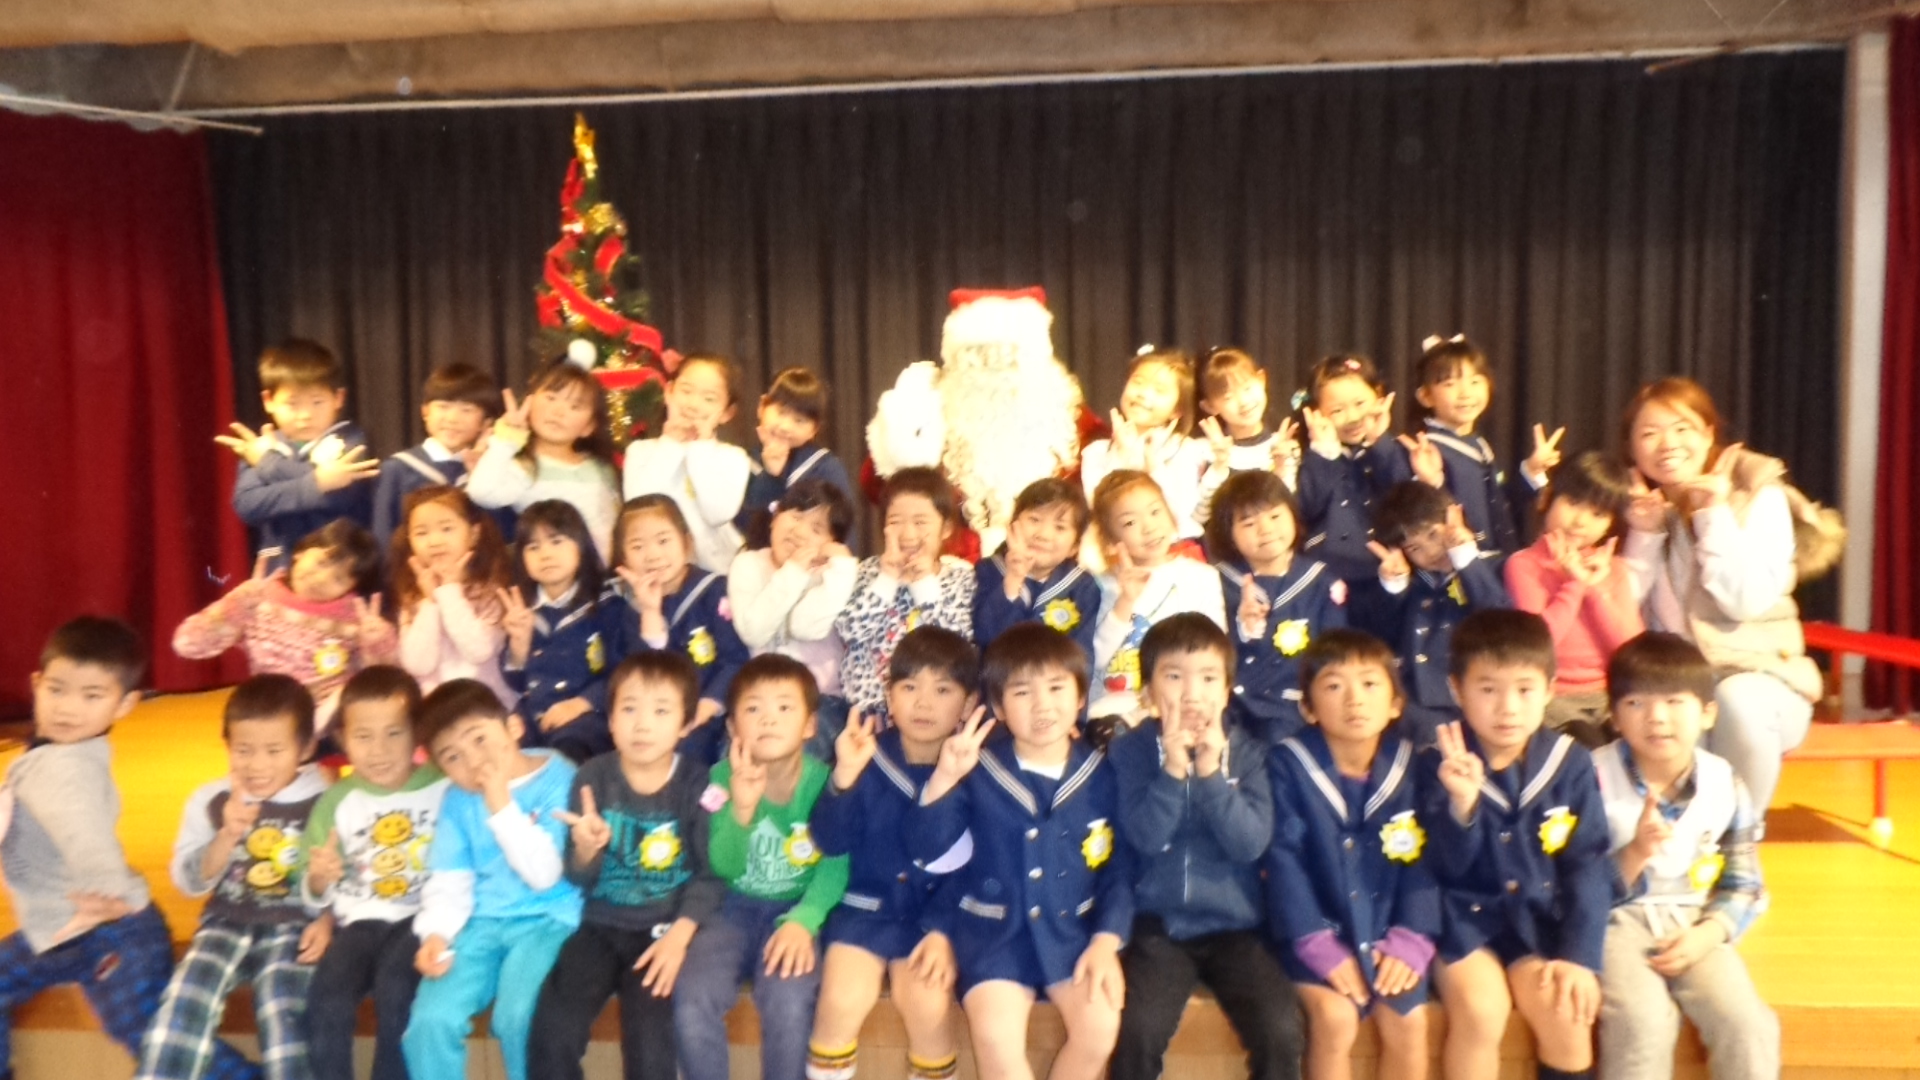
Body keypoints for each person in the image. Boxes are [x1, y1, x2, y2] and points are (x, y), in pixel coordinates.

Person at [909, 624, 1131, 1080]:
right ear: (998, 708)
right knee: (995, 1036)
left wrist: (1106, 941)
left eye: (1056, 688)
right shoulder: (978, 769)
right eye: (1022, 692)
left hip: (1073, 938)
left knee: (1100, 1029)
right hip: (993, 939)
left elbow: (1119, 872)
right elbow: (936, 855)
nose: (1042, 705)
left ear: (1081, 697)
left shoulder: (1104, 775)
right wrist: (945, 779)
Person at [1616, 375, 1833, 819]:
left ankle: (1741, 838)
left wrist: (1713, 514)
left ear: (1709, 434)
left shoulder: (1757, 497)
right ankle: (1674, 843)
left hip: (1762, 677)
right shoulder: (1637, 503)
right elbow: (1623, 609)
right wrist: (1644, 534)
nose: (1667, 444)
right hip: (1678, 679)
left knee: (1739, 702)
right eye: (1649, 433)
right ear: (1632, 448)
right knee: (1657, 714)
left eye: (1682, 428)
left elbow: (1745, 601)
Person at [1107, 614, 1302, 1080]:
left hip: (1236, 929)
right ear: (1148, 691)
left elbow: (1250, 844)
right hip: (1159, 929)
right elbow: (1145, 837)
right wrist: (1173, 773)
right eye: (1174, 677)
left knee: (1281, 1028)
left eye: (1209, 678)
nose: (1192, 694)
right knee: (1138, 1030)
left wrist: (1211, 773)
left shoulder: (1249, 753)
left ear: (1228, 689)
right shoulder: (1130, 753)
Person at [1421, 611, 1611, 1080]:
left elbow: (1588, 864)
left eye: (1525, 690)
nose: (1508, 708)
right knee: (1481, 1011)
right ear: (1457, 689)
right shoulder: (1436, 762)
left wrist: (1578, 956)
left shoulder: (1571, 764)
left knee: (1566, 1014)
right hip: (1461, 924)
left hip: (1536, 926)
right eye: (1488, 689)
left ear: (1549, 690)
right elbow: (1438, 868)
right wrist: (1462, 806)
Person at [528, 652, 725, 1080]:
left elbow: (712, 875)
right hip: (598, 926)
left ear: (686, 724)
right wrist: (585, 849)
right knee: (551, 1032)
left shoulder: (700, 784)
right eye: (629, 709)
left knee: (650, 1046)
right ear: (611, 720)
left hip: (663, 931)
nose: (642, 725)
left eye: (661, 711)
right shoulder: (591, 778)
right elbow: (579, 877)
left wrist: (679, 937)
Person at [1595, 632, 1778, 1080]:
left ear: (1708, 713)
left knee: (1747, 1024)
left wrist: (1709, 933)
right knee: (1641, 1023)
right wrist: (1634, 852)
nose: (1657, 717)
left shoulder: (1724, 781)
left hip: (1695, 920)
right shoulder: (1591, 776)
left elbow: (1745, 884)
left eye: (1675, 701)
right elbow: (1571, 883)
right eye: (1636, 703)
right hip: (1613, 921)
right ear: (1614, 716)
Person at [0, 618, 175, 1077]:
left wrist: (106, 891)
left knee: (147, 1036)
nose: (68, 708)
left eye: (91, 696)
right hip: (60, 929)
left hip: (112, 929)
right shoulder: (54, 754)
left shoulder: (66, 771)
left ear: (126, 703)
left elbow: (87, 838)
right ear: (36, 684)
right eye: (57, 689)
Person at [137, 675, 332, 1080]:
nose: (257, 765)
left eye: (274, 750)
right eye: (243, 750)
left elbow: (344, 877)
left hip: (294, 926)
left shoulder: (326, 800)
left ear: (305, 748)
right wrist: (225, 835)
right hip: (224, 923)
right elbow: (188, 881)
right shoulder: (211, 799)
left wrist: (328, 919)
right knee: (181, 1005)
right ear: (227, 745)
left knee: (282, 1010)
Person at [805, 628, 977, 1080]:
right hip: (865, 910)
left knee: (929, 1006)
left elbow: (976, 867)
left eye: (943, 690)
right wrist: (844, 776)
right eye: (909, 687)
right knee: (840, 1000)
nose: (924, 703)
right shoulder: (865, 755)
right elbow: (830, 841)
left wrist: (943, 930)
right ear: (888, 696)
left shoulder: (975, 771)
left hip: (932, 920)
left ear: (967, 704)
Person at [1266, 629, 1437, 1080]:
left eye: (1370, 683)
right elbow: (1283, 860)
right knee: (1335, 1019)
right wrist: (1314, 941)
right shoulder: (1287, 764)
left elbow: (1428, 862)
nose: (1354, 699)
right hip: (1312, 936)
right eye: (1334, 685)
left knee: (1409, 1022)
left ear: (1396, 703)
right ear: (1308, 708)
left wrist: (1411, 937)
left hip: (1389, 935)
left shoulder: (1413, 766)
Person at [674, 655, 850, 1080]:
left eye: (785, 707)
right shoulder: (718, 781)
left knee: (789, 1002)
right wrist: (742, 810)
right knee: (692, 1000)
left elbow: (836, 863)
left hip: (796, 910)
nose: (768, 719)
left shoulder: (826, 782)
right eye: (753, 708)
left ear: (810, 725)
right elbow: (723, 866)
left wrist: (804, 921)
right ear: (733, 727)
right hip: (728, 910)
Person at [403, 679, 583, 1080]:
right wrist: (436, 935)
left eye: (479, 738)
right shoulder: (457, 799)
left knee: (518, 1018)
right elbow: (450, 880)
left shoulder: (560, 777)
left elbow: (545, 875)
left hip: (548, 920)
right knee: (431, 1021)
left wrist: (500, 803)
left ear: (513, 727)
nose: (473, 761)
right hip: (481, 924)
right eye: (453, 756)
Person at [300, 666, 449, 1080]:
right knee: (325, 1001)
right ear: (342, 739)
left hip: (421, 919)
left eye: (394, 733)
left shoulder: (444, 786)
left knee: (396, 990)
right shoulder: (337, 800)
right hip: (360, 923)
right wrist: (319, 879)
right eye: (363, 736)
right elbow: (311, 885)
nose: (378, 750)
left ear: (418, 734)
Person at [173, 518, 394, 738]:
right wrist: (234, 606)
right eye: (322, 562)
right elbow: (187, 644)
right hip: (270, 717)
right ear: (301, 551)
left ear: (351, 589)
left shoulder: (355, 620)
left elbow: (382, 682)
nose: (321, 579)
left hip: (331, 728)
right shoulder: (259, 599)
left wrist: (377, 642)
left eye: (338, 579)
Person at [1351, 482, 1512, 745]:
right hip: (1418, 709)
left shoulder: (1494, 567)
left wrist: (1465, 560)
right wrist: (1393, 586)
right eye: (1414, 548)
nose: (1431, 551)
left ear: (1455, 518)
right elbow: (1381, 640)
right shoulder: (1411, 585)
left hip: (1483, 699)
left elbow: (1503, 625)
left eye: (1433, 535)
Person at [1504, 453, 1643, 746]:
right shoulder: (1524, 564)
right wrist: (1575, 584)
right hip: (1553, 698)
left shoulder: (1614, 568)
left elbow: (1631, 650)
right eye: (1573, 503)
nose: (1581, 522)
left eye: (1598, 514)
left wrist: (1594, 589)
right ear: (1548, 498)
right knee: (1585, 748)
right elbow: (1540, 642)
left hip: (1610, 695)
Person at [607, 494, 750, 765]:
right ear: (623, 558)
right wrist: (650, 612)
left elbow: (734, 660)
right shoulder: (630, 609)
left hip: (710, 713)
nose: (653, 555)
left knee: (689, 751)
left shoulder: (714, 592)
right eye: (637, 546)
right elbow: (640, 676)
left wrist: (707, 706)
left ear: (687, 543)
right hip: (653, 718)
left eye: (663, 541)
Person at [1207, 470, 1346, 746]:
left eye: (1275, 516)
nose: (1266, 529)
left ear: (1293, 515)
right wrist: (1242, 629)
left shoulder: (1322, 582)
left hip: (1295, 709)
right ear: (1229, 534)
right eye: (1249, 523)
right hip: (1230, 707)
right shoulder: (1215, 581)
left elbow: (1334, 652)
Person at [729, 479, 860, 760]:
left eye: (816, 529)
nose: (800, 532)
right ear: (775, 517)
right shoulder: (748, 564)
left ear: (833, 543)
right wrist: (793, 571)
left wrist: (840, 569)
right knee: (732, 758)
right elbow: (754, 631)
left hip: (820, 701)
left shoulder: (833, 575)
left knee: (801, 757)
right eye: (796, 517)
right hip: (760, 700)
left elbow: (805, 627)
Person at [1399, 334, 1562, 558]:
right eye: (1450, 384)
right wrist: (1432, 483)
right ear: (1426, 396)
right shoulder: (1425, 450)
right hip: (1460, 562)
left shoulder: (1477, 442)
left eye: (1475, 381)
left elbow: (1499, 504)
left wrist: (1531, 470)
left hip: (1499, 558)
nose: (1466, 393)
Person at [223, 339, 379, 573]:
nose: (305, 415)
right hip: (278, 567)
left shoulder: (350, 440)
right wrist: (319, 483)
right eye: (292, 403)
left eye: (317, 402)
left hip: (336, 568)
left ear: (338, 398)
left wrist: (268, 464)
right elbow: (248, 504)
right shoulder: (263, 445)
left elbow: (341, 496)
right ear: (268, 401)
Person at [1087, 471, 1226, 731]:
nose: (1149, 527)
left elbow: (1215, 655)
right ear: (1109, 539)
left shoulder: (1202, 577)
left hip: (1182, 707)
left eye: (1155, 512)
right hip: (1113, 712)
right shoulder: (1098, 585)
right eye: (1130, 522)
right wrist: (1125, 601)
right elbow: (1093, 661)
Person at [833, 467, 976, 718]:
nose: (908, 534)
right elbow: (848, 631)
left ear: (945, 528)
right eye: (895, 521)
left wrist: (923, 583)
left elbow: (957, 644)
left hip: (932, 714)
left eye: (920, 522)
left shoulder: (960, 578)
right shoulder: (867, 572)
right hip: (869, 712)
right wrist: (887, 578)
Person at [467, 358, 623, 560]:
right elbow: (482, 493)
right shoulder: (524, 467)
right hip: (552, 573)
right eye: (551, 398)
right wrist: (507, 440)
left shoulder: (601, 468)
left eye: (574, 406)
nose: (558, 412)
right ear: (530, 401)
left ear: (589, 426)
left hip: (606, 577)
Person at [501, 499, 620, 762]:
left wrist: (581, 704)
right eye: (533, 547)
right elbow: (517, 682)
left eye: (556, 542)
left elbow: (622, 671)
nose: (545, 554)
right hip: (534, 714)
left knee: (568, 749)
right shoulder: (524, 609)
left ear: (581, 546)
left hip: (589, 716)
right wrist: (518, 648)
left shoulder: (607, 605)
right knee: (503, 749)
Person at [623, 353, 754, 573]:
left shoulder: (733, 457)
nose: (693, 404)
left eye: (709, 399)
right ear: (669, 392)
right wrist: (671, 443)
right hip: (655, 571)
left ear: (727, 412)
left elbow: (718, 513)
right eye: (686, 391)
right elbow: (640, 506)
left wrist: (701, 447)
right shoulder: (640, 451)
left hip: (715, 575)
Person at [1080, 348, 1222, 543]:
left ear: (1177, 410)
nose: (1143, 394)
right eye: (1138, 382)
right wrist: (1124, 457)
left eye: (1159, 390)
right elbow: (1100, 510)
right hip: (1116, 550)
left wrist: (1154, 468)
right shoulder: (1096, 452)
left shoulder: (1185, 450)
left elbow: (1178, 513)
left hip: (1174, 548)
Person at [1293, 354, 1411, 586]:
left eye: (1360, 404)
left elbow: (1403, 499)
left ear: (1378, 396)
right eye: (1337, 410)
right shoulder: (1313, 456)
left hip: (1382, 567)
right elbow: (1305, 509)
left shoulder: (1392, 449)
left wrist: (1379, 442)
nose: (1353, 417)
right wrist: (1323, 453)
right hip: (1325, 573)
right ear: (1316, 412)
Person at [393, 485, 516, 703]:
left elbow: (479, 650)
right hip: (434, 711)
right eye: (421, 533)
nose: (434, 541)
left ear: (474, 534)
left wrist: (449, 591)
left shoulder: (490, 591)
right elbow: (417, 665)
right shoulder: (414, 598)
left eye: (447, 528)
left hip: (483, 706)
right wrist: (430, 602)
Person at [371, 362, 507, 553]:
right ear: (425, 412)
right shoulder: (397, 470)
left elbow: (500, 536)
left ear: (486, 423)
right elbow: (383, 539)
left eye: (466, 410)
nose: (452, 418)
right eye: (443, 407)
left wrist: (482, 477)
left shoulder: (491, 473)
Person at [972, 478, 1102, 666]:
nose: (1043, 535)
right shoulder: (987, 571)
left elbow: (1084, 658)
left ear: (1074, 546)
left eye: (1060, 527)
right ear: (1011, 526)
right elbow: (986, 635)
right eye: (1034, 520)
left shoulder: (1083, 587)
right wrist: (1013, 579)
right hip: (999, 681)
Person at [736, 367, 857, 542]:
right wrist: (770, 477)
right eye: (781, 412)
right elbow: (745, 529)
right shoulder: (742, 462)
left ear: (814, 429)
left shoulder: (825, 468)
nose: (786, 427)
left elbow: (843, 532)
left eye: (799, 420)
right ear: (762, 407)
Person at [1195, 346, 1299, 490]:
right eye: (1228, 397)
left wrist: (1281, 469)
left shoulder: (1284, 446)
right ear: (1209, 406)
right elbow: (1200, 505)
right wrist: (1218, 465)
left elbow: (1290, 503)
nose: (1244, 401)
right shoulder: (1204, 451)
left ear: (1262, 379)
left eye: (1247, 388)